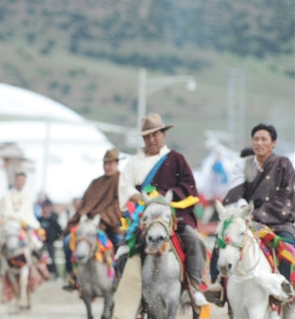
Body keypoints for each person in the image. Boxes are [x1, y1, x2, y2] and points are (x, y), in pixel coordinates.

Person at [118, 113, 208, 306]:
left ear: (163, 134)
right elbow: (125, 188)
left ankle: (194, 286)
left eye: (155, 134)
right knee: (123, 250)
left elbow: (189, 186)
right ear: (143, 138)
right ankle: (129, 292)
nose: (151, 139)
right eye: (147, 136)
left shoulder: (176, 159)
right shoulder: (133, 162)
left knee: (193, 240)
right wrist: (143, 200)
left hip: (174, 213)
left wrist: (165, 197)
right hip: (144, 214)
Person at [211, 124, 294, 287]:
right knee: (219, 243)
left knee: (287, 246)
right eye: (256, 139)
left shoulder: (283, 164)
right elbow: (236, 192)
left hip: (277, 221)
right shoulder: (243, 165)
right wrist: (244, 211)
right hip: (245, 220)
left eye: (264, 139)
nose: (259, 143)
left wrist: (256, 214)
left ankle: (284, 287)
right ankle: (217, 286)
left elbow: (287, 196)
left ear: (273, 143)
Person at [62, 148, 123, 290]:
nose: (107, 166)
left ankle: (119, 277)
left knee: (120, 245)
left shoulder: (122, 181)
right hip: (88, 224)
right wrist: (82, 218)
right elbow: (84, 203)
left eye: (110, 163)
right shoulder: (95, 182)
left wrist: (102, 219)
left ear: (117, 163)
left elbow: (119, 205)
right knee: (67, 242)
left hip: (110, 225)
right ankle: (73, 276)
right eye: (105, 163)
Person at [35, 199, 62, 278]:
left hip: (50, 243)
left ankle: (55, 273)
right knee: (40, 259)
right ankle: (42, 274)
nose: (46, 211)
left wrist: (55, 238)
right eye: (44, 210)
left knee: (52, 258)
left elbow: (59, 230)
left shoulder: (53, 220)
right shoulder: (39, 220)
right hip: (40, 243)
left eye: (47, 210)